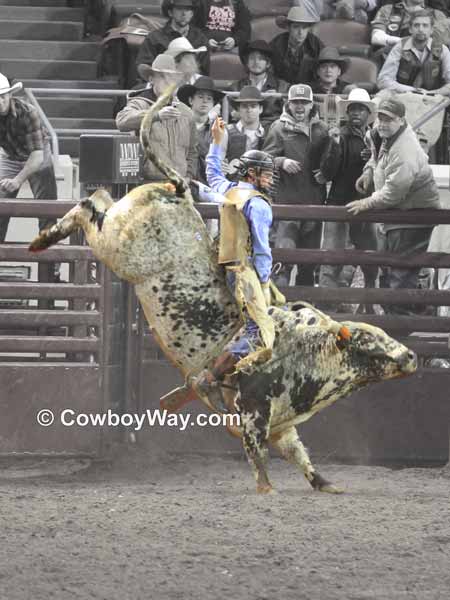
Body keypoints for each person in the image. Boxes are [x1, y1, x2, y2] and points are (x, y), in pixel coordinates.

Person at [195, 116, 279, 408]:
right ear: (253, 174)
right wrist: (265, 280)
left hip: (228, 267)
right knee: (260, 331)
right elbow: (262, 247)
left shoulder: (230, 190)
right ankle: (214, 377)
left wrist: (218, 145)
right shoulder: (258, 204)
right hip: (247, 272)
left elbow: (213, 173)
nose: (269, 179)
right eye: (266, 174)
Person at [347, 96, 441, 315]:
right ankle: (396, 320)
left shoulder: (406, 150)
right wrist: (369, 170)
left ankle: (400, 325)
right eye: (380, 118)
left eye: (389, 119)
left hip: (413, 216)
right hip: (399, 216)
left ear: (401, 120)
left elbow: (393, 193)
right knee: (392, 268)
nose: (382, 123)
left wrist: (366, 202)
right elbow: (377, 155)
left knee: (401, 272)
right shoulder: (387, 136)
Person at [263, 83, 337, 287]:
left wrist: (326, 173)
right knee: (283, 260)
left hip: (314, 204)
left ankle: (305, 311)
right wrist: (281, 162)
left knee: (308, 264)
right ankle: (280, 310)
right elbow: (264, 159)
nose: (300, 107)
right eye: (296, 102)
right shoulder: (278, 127)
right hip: (287, 205)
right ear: (288, 103)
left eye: (304, 102)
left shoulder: (322, 129)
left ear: (312, 104)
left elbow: (331, 161)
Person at [319, 89, 379, 307]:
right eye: (352, 108)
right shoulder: (339, 135)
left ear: (367, 113)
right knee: (332, 258)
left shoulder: (375, 137)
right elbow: (328, 172)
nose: (356, 113)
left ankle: (365, 304)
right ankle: (329, 307)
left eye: (360, 109)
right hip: (341, 204)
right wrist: (334, 146)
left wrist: (373, 158)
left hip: (368, 206)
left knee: (369, 260)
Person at [116, 54, 198, 182]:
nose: (168, 81)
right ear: (151, 79)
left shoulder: (186, 113)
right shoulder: (140, 103)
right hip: (148, 184)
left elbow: (192, 151)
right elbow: (121, 120)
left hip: (179, 184)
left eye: (172, 77)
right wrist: (155, 115)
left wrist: (188, 175)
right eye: (162, 76)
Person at [0, 73, 57, 244]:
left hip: (38, 154)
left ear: (10, 95)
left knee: (47, 208)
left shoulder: (28, 113)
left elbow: (37, 156)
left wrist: (17, 180)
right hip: (10, 155)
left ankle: (51, 263)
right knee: (0, 204)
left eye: (2, 97)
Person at [377, 9, 450, 96]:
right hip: (403, 96)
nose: (420, 29)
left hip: (433, 99)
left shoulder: (442, 49)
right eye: (416, 25)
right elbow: (383, 80)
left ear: (431, 30)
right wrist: (413, 91)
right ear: (410, 29)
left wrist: (430, 93)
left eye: (425, 25)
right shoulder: (400, 47)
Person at [136, 0, 210, 80]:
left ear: (192, 14)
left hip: (191, 86)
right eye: (179, 9)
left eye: (188, 10)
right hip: (162, 83)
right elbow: (144, 66)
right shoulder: (154, 37)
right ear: (170, 12)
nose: (184, 14)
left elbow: (204, 71)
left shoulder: (200, 38)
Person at [231, 40, 289, 131]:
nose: (256, 62)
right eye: (252, 58)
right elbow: (230, 113)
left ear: (268, 63)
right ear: (247, 62)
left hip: (271, 131)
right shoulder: (236, 87)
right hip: (242, 131)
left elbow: (290, 113)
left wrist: (281, 99)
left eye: (261, 58)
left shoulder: (282, 87)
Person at [177, 76, 224, 185]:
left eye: (209, 99)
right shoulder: (178, 125)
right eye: (200, 97)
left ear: (213, 104)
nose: (205, 101)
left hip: (207, 185)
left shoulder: (218, 129)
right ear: (190, 100)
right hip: (181, 181)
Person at [270, 5, 324, 85]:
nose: (300, 32)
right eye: (296, 27)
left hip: (310, 90)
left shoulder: (316, 44)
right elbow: (267, 71)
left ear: (308, 29)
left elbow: (326, 67)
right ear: (288, 28)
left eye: (304, 28)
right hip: (281, 91)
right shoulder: (276, 44)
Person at [371, 0, 450, 51]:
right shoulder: (387, 9)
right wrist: (405, 42)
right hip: (393, 54)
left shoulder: (437, 14)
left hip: (428, 63)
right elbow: (376, 38)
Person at [220, 86, 266, 172]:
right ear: (238, 109)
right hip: (233, 183)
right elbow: (216, 161)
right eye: (244, 106)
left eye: (253, 106)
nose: (249, 110)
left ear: (260, 109)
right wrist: (219, 166)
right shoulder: (226, 132)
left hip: (260, 183)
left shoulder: (267, 134)